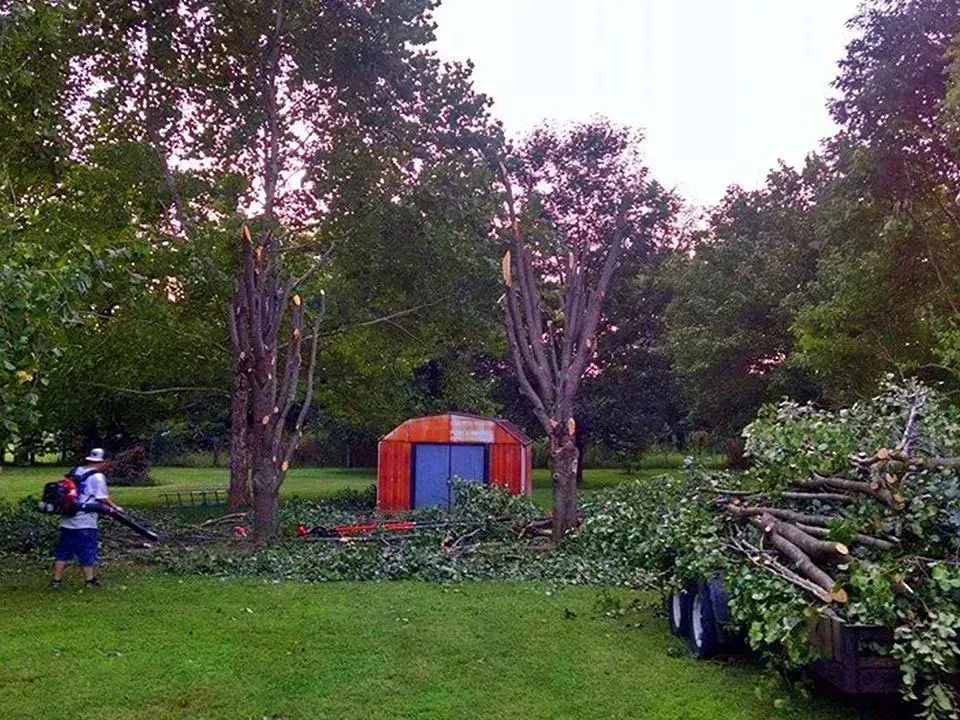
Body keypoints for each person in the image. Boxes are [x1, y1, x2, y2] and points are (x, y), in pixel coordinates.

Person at [50, 448, 122, 589]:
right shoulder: (98, 477)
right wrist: (115, 508)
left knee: (62, 552)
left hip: (67, 518)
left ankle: (56, 581)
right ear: (102, 462)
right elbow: (102, 498)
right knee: (87, 551)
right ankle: (90, 581)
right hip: (85, 521)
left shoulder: (75, 471)